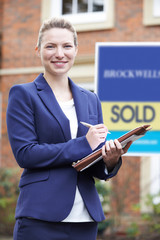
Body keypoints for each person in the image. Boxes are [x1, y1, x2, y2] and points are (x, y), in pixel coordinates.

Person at [6, 17, 131, 240]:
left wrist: (110, 160)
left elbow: (92, 164)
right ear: (38, 50)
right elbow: (25, 154)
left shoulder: (91, 99)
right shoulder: (23, 95)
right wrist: (84, 143)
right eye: (50, 46)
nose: (59, 53)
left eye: (66, 46)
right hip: (40, 217)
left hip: (85, 219)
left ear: (75, 50)